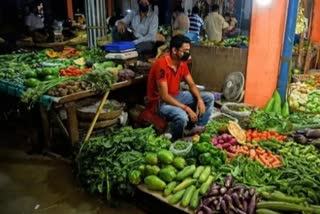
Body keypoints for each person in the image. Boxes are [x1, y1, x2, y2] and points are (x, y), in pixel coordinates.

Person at [147, 35, 214, 141]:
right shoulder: (162, 64)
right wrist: (186, 108)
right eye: (185, 50)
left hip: (176, 95)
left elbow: (191, 84)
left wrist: (200, 99)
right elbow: (164, 96)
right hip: (160, 102)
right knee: (182, 116)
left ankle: (198, 128)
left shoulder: (182, 63)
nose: (188, 53)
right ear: (174, 50)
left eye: (189, 50)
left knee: (209, 97)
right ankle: (175, 140)